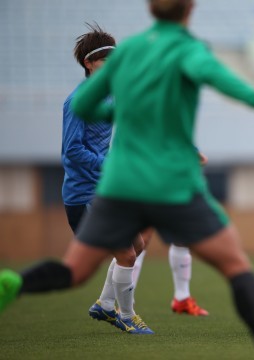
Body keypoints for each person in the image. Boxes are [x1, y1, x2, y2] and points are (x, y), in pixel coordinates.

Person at [0, 0, 254, 358]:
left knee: (85, 266)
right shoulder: (185, 48)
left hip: (119, 188)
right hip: (147, 185)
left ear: (151, 10)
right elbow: (221, 80)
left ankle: (26, 285)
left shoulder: (132, 52)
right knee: (234, 264)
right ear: (190, 9)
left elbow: (91, 108)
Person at [61, 23, 154, 334]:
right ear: (89, 64)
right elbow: (72, 151)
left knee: (137, 244)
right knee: (126, 252)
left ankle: (103, 304)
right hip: (83, 195)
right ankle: (127, 318)